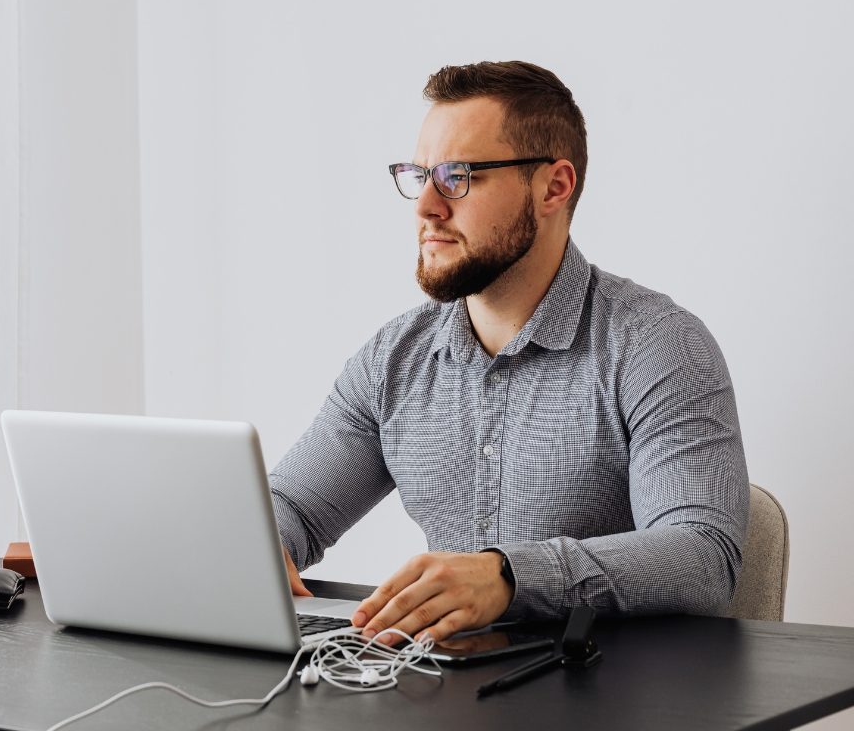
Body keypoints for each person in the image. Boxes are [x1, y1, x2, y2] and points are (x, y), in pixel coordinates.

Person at [269, 61, 748, 646]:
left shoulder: (657, 345)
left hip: (609, 685)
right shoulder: (392, 360)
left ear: (554, 187)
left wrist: (509, 576)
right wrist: (262, 544)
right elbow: (292, 505)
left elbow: (703, 555)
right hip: (442, 682)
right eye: (419, 175)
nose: (426, 206)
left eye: (458, 176)